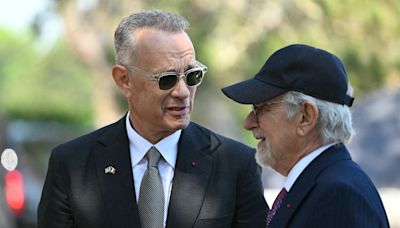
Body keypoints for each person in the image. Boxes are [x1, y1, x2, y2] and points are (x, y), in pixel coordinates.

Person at [37, 9, 268, 228]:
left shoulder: (235, 165)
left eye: (192, 76)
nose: (183, 92)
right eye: (167, 79)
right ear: (124, 80)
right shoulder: (72, 165)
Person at [222, 44, 390, 227]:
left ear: (305, 117)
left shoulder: (338, 194)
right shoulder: (324, 185)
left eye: (260, 109)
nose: (248, 123)